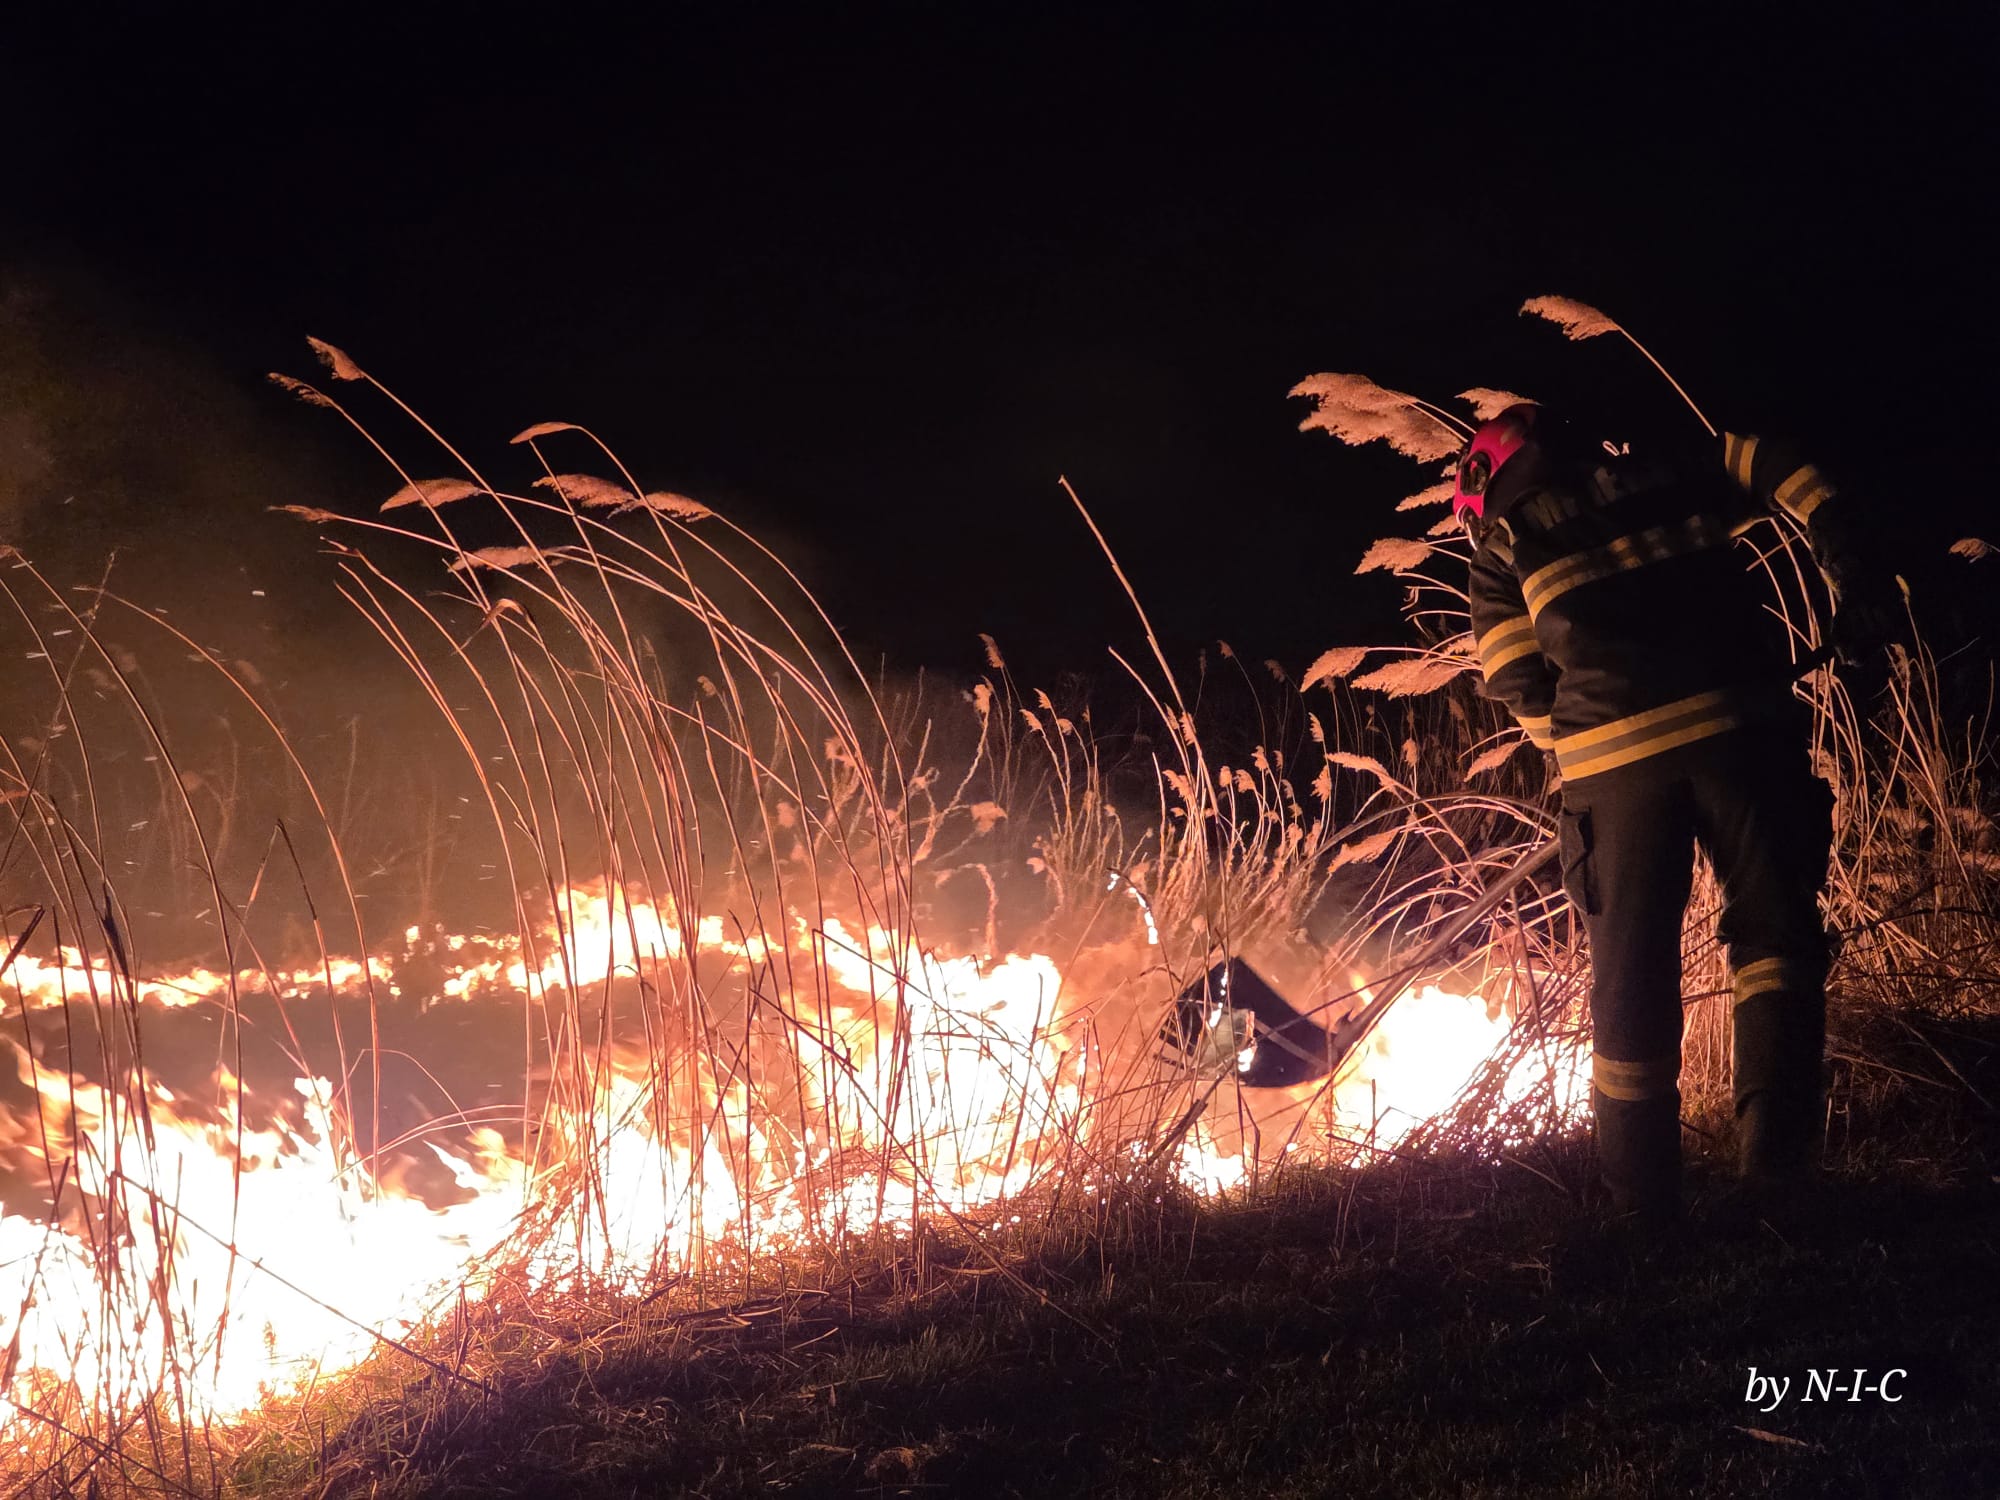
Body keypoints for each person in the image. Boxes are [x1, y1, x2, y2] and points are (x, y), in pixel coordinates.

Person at [1455, 404, 1902, 1221]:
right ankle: (1777, 1172)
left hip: (1615, 773)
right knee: (1775, 941)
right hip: (1746, 733)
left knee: (1630, 977)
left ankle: (1644, 1209)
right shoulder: (1669, 472)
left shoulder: (1503, 549)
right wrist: (1852, 564)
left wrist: (1593, 741)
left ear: (1489, 483)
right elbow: (1776, 460)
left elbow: (1519, 684)